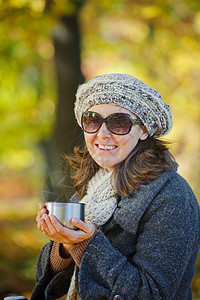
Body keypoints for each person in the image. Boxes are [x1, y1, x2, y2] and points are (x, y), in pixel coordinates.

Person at [31, 73, 200, 300]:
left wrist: (86, 245)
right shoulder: (91, 187)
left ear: (144, 130)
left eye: (118, 122)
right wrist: (63, 245)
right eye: (92, 120)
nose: (102, 134)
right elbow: (47, 282)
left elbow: (152, 294)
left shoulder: (171, 196)